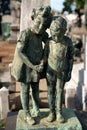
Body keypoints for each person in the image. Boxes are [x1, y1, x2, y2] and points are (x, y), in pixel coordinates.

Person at [11, 6, 52, 125]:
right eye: (38, 23)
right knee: (24, 90)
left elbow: (49, 45)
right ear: (33, 18)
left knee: (35, 89)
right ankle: (27, 113)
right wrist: (33, 66)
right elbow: (20, 52)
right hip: (25, 66)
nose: (40, 28)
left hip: (37, 65)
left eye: (44, 26)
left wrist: (43, 61)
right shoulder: (26, 34)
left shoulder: (43, 35)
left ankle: (36, 108)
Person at [44, 16, 74, 123]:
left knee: (60, 91)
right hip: (50, 70)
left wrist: (69, 71)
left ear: (64, 32)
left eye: (58, 36)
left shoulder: (68, 42)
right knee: (50, 90)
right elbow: (45, 56)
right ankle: (51, 112)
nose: (56, 38)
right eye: (54, 35)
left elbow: (71, 58)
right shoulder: (49, 42)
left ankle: (59, 112)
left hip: (62, 70)